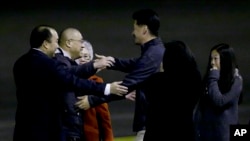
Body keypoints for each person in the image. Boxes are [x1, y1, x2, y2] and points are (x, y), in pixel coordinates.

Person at [12, 25, 128, 141]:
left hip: (23, 128)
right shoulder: (50, 64)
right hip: (46, 130)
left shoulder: (20, 63)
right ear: (46, 44)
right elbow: (72, 80)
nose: (57, 46)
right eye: (56, 42)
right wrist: (106, 88)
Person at [97, 8, 165, 141]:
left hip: (150, 126)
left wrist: (91, 100)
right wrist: (110, 61)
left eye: (135, 28)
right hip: (152, 124)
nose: (132, 32)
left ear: (144, 29)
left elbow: (127, 85)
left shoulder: (152, 55)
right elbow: (133, 63)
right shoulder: (153, 51)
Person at [140, 40, 202, 141]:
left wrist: (160, 71)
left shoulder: (156, 81)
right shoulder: (194, 78)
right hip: (185, 132)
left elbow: (149, 95)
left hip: (159, 133)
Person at [196, 43, 243, 141]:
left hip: (224, 135)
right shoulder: (210, 78)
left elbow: (219, 101)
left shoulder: (236, 81)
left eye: (216, 59)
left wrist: (213, 78)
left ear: (225, 60)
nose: (212, 62)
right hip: (207, 134)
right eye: (211, 59)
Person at [75, 40, 114, 141]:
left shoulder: (96, 81)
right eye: (79, 56)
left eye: (86, 57)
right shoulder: (64, 78)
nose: (82, 60)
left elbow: (104, 118)